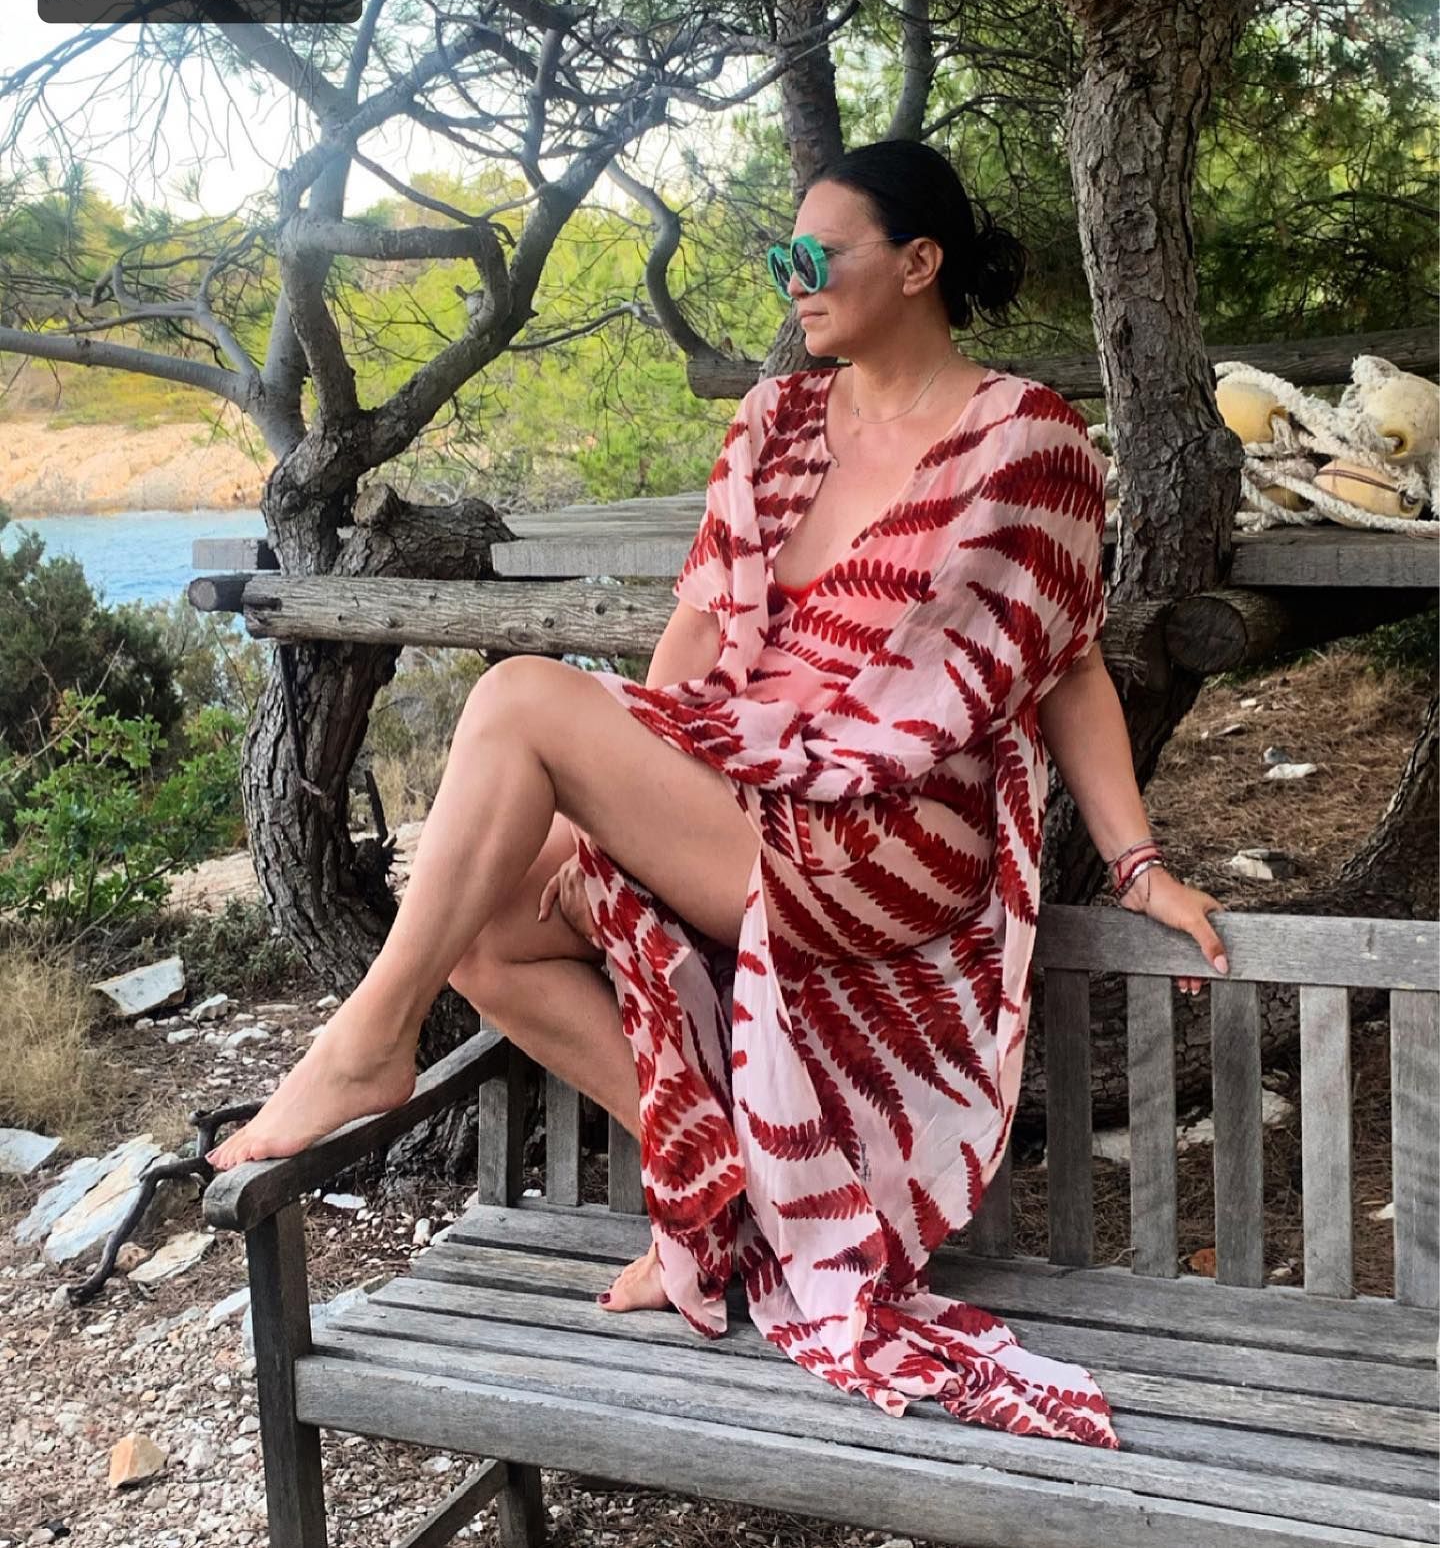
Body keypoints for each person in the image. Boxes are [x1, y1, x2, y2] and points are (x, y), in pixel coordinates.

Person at [208, 138, 1228, 1449]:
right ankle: (715, 1184)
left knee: (519, 696)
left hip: (892, 835)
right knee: (485, 923)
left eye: (818, 254)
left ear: (919, 264)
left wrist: (1140, 863)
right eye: (780, 255)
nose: (792, 278)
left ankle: (364, 1047)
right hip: (751, 788)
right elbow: (696, 635)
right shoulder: (778, 423)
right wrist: (610, 797)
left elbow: (1069, 665)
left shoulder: (1027, 440)